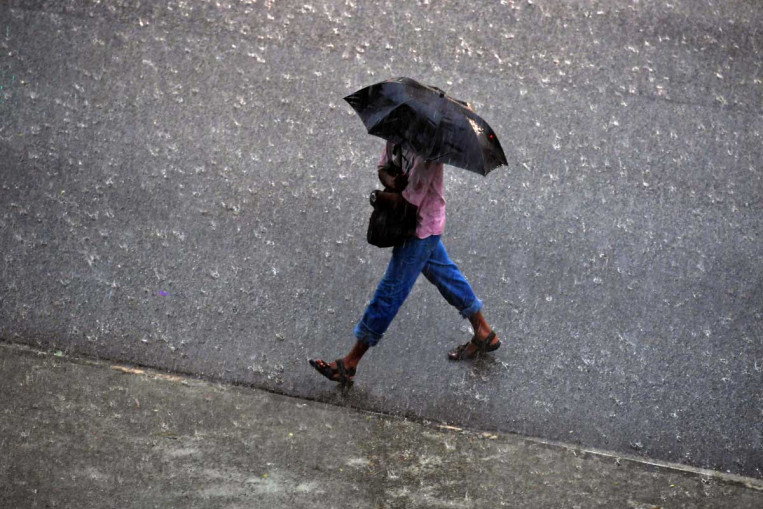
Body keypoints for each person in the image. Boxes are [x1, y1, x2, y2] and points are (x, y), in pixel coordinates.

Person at [309, 141, 500, 385]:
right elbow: (383, 166)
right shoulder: (398, 133)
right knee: (445, 275)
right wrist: (391, 181)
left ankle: (349, 364)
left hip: (420, 230)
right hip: (415, 226)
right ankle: (483, 331)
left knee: (389, 293)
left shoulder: (429, 152)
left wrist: (377, 197)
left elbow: (407, 202)